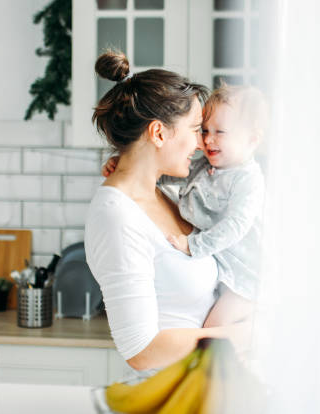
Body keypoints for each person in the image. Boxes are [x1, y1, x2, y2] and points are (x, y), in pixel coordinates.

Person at [85, 51, 251, 372]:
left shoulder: (166, 195)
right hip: (165, 396)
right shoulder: (116, 218)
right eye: (195, 129)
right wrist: (238, 336)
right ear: (159, 133)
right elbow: (141, 350)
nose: (201, 144)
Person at [103, 83, 268, 327]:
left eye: (220, 132)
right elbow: (162, 169)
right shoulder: (207, 165)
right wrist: (125, 163)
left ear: (252, 139)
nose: (207, 141)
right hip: (224, 273)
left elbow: (236, 225)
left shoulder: (248, 180)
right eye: (204, 130)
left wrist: (193, 245)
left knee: (214, 331)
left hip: (245, 280)